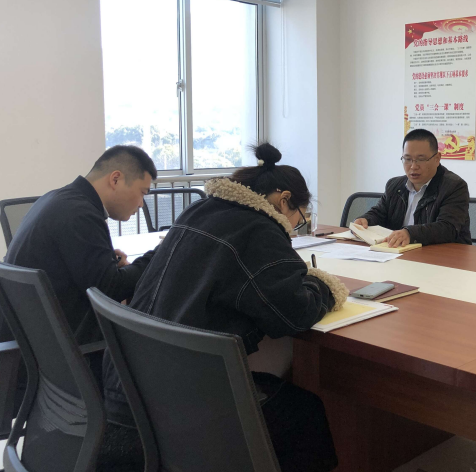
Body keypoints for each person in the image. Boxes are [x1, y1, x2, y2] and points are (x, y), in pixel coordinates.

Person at [101, 143, 346, 472]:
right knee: (304, 412)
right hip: (177, 406)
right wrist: (321, 284)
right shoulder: (259, 229)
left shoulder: (199, 210)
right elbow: (293, 315)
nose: (293, 227)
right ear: (284, 200)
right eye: (298, 218)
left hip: (129, 387)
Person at [4, 145, 157, 345]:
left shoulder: (55, 199)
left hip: (34, 342)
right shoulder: (80, 214)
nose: (141, 204)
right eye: (143, 193)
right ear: (115, 179)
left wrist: (107, 261)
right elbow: (111, 291)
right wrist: (159, 255)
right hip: (72, 348)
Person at [354, 129, 471, 247]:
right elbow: (380, 213)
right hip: (398, 252)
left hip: (443, 254)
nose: (413, 166)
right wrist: (366, 220)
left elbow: (448, 228)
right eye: (408, 159)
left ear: (437, 159)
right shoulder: (394, 185)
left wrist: (410, 234)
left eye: (421, 159)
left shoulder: (454, 187)